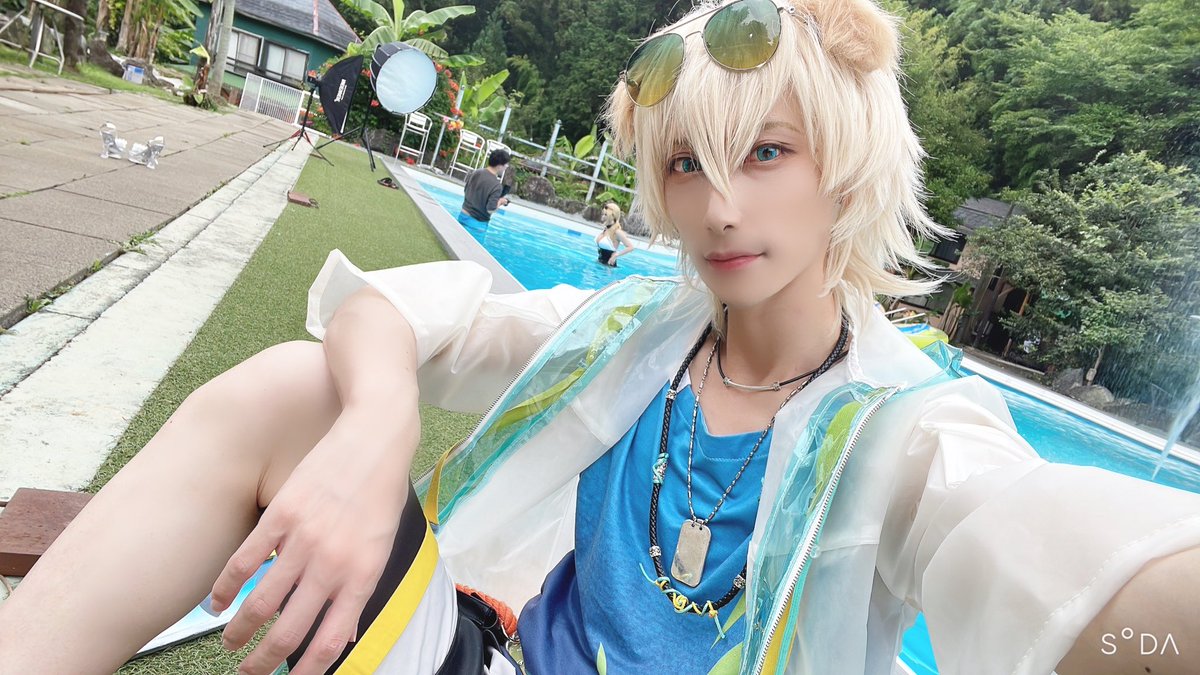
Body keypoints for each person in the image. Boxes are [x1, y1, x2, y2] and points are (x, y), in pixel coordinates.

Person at [2, 1, 1198, 674]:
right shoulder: (628, 334)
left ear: (849, 165)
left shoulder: (905, 427)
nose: (719, 206)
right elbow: (387, 311)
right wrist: (375, 435)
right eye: (685, 164)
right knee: (285, 388)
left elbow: (1035, 534)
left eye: (766, 152)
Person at [458, 148, 511, 230]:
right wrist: (501, 201)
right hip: (477, 225)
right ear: (500, 166)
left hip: (462, 215)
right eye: (506, 165)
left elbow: (466, 190)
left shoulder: (476, 172)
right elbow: (490, 209)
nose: (506, 167)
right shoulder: (496, 186)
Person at [594, 201, 637, 266]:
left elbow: (631, 247)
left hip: (608, 266)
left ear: (612, 216)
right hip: (599, 262)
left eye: (605, 215)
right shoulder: (606, 229)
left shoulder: (617, 232)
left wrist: (616, 255)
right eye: (603, 214)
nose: (603, 216)